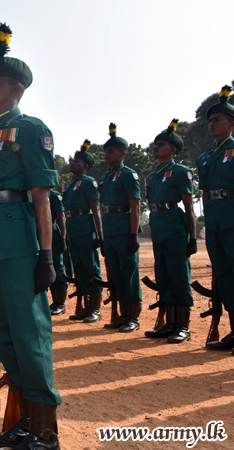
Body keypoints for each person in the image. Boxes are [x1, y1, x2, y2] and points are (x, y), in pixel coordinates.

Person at [0, 24, 61, 449]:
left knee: (29, 333)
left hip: (16, 240)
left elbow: (41, 197)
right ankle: (24, 422)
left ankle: (45, 430)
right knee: (5, 335)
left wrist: (47, 254)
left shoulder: (29, 128)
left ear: (17, 87)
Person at [144, 119, 197, 343]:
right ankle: (169, 323)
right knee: (163, 273)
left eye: (161, 144)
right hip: (158, 225)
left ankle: (183, 325)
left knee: (178, 274)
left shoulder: (180, 172)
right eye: (155, 144)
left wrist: (193, 237)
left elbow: (189, 207)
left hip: (175, 225)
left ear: (173, 150)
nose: (156, 147)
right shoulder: (152, 176)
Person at [197, 85, 234, 353]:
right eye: (210, 120)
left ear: (231, 123)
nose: (212, 124)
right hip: (215, 221)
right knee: (225, 277)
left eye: (217, 119)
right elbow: (206, 193)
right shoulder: (206, 156)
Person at [98, 123, 143, 332]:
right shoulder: (105, 177)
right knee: (116, 273)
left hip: (125, 229)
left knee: (129, 273)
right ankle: (123, 315)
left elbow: (135, 207)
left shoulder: (128, 175)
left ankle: (132, 317)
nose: (106, 155)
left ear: (123, 153)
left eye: (111, 151)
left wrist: (134, 235)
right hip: (110, 230)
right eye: (105, 151)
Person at [61, 143, 103, 321]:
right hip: (73, 229)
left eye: (76, 161)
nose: (72, 163)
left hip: (86, 229)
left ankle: (95, 308)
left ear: (85, 165)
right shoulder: (70, 185)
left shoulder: (88, 182)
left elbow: (96, 209)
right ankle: (86, 305)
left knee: (91, 267)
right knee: (79, 268)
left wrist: (99, 235)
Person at [47, 188, 68, 314]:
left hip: (53, 232)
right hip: (39, 233)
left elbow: (62, 217)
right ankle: (54, 302)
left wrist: (63, 239)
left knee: (57, 267)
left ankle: (60, 303)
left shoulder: (54, 195)